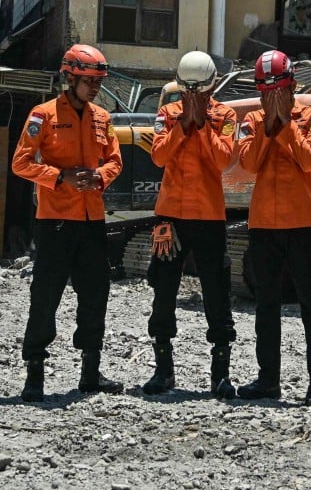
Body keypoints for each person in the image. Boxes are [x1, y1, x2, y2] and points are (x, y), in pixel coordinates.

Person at [12, 44, 124, 401]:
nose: (95, 88)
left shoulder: (102, 118)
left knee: (95, 294)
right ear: (70, 78)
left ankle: (90, 373)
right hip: (55, 222)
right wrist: (61, 177)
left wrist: (100, 176)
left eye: (98, 81)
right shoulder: (42, 115)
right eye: (89, 81)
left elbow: (115, 161)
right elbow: (21, 163)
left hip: (92, 223)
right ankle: (34, 376)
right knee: (45, 296)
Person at [236, 50, 311, 406]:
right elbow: (248, 163)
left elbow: (309, 159)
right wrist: (269, 127)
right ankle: (268, 380)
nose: (269, 99)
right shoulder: (252, 121)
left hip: (303, 223)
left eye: (276, 91)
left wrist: (286, 124)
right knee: (266, 305)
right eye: (264, 92)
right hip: (263, 225)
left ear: (291, 86)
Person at [143, 51, 238, 398]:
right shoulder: (167, 114)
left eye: (198, 92)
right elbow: (158, 156)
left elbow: (225, 160)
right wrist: (184, 126)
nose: (193, 98)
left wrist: (202, 127)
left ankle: (220, 374)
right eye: (188, 92)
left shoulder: (225, 116)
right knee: (164, 290)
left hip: (209, 217)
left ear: (210, 87)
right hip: (170, 216)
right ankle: (163, 371)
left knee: (217, 291)